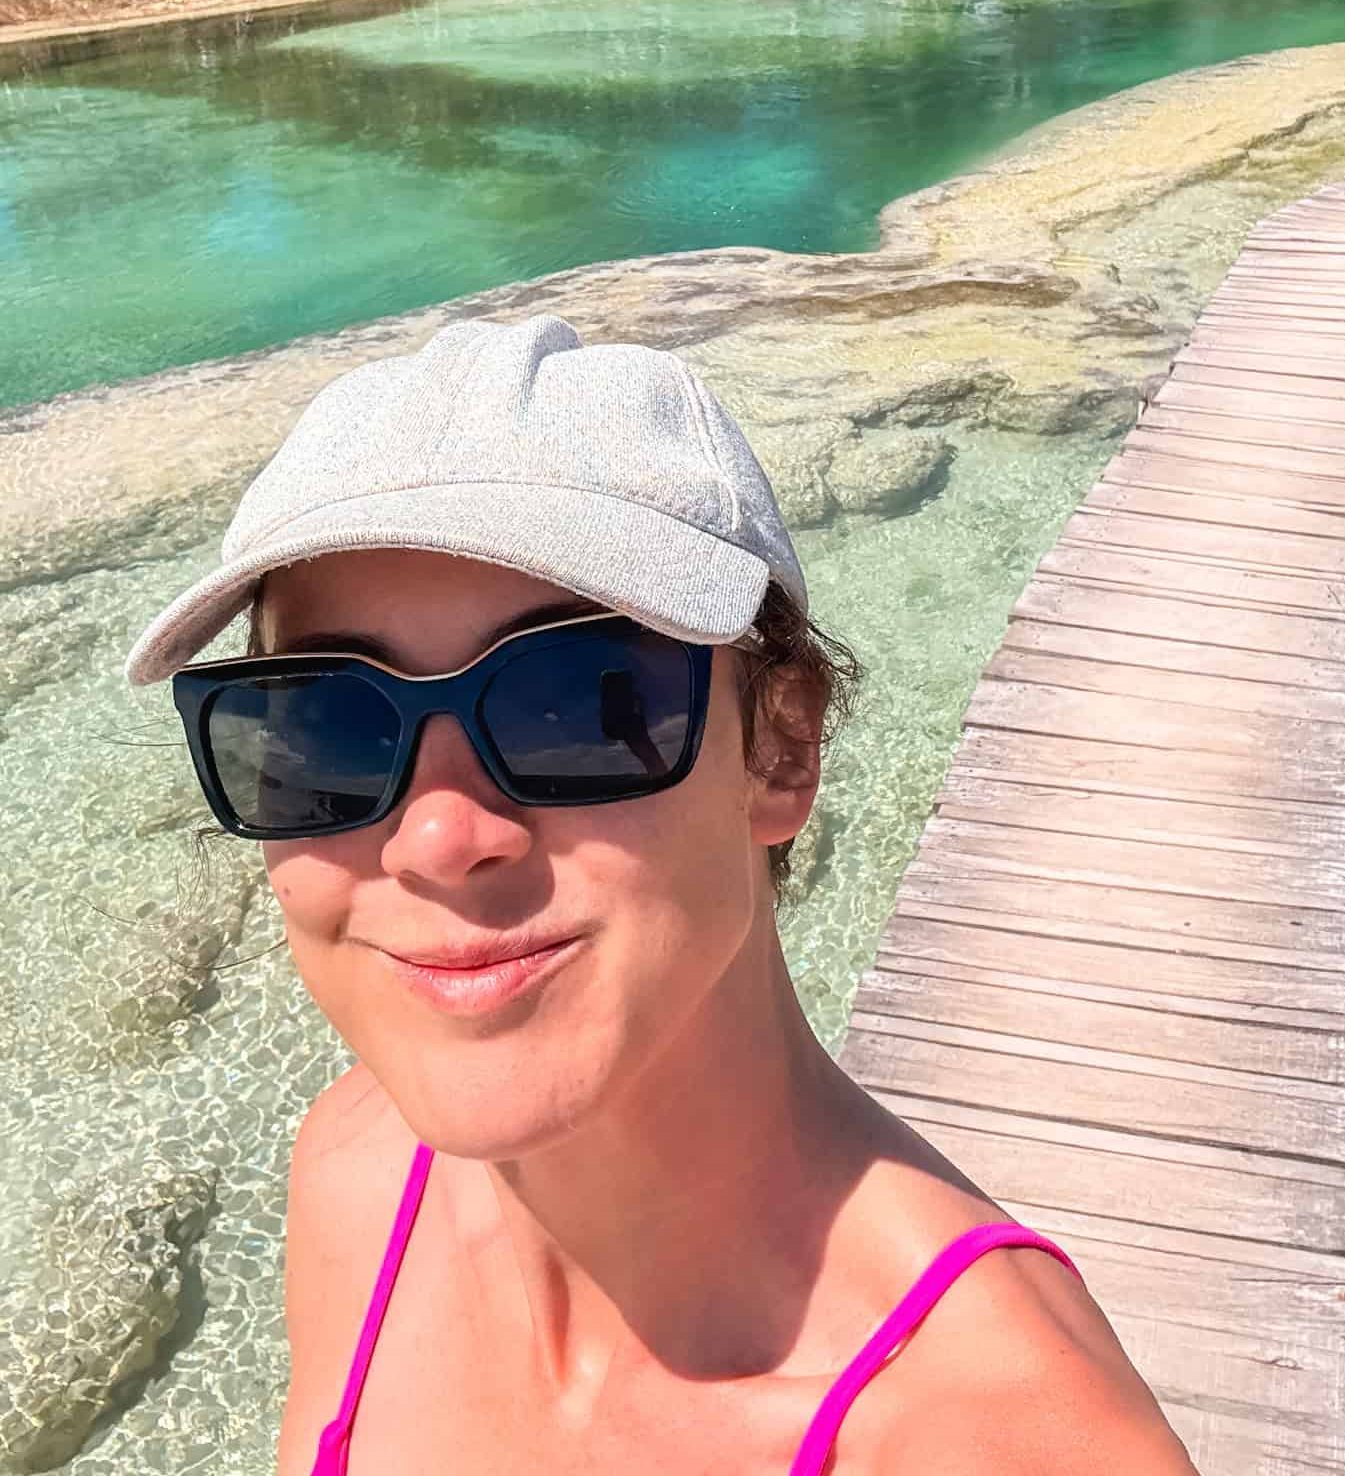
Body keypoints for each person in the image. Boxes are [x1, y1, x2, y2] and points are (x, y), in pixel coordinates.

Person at [127, 316, 1197, 1475]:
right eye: (323, 721)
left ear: (780, 747)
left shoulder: (999, 1432)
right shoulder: (355, 1168)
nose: (437, 834)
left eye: (576, 701)